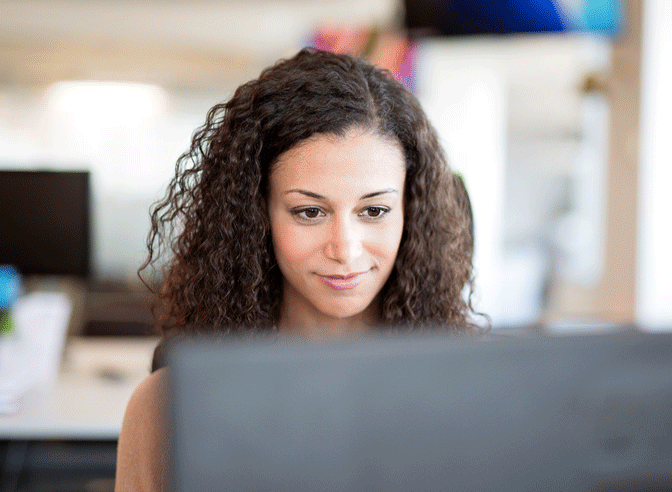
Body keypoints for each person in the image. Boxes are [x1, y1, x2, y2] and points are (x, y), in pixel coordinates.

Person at [115, 48, 481, 492]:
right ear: (256, 216)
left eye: (375, 210)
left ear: (411, 212)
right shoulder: (166, 407)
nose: (345, 249)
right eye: (309, 212)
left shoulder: (469, 397)